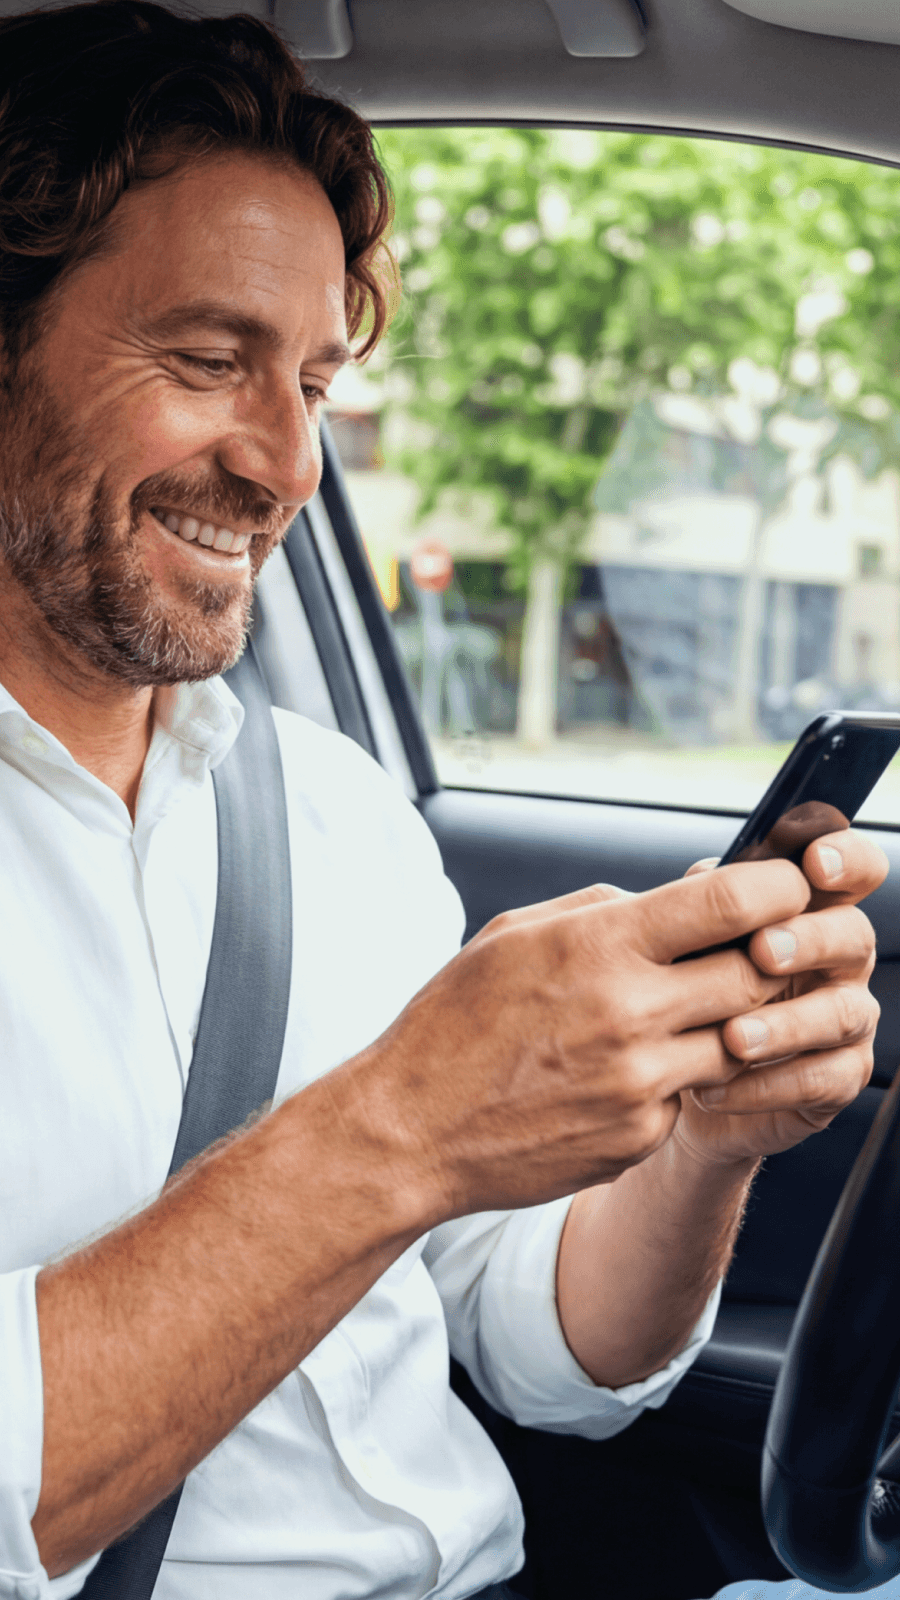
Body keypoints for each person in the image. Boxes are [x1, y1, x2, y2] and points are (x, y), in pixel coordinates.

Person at [0, 4, 887, 1597]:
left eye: (320, 384)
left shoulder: (326, 810)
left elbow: (542, 1357)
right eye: (209, 362)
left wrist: (706, 1144)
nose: (287, 466)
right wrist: (400, 1122)